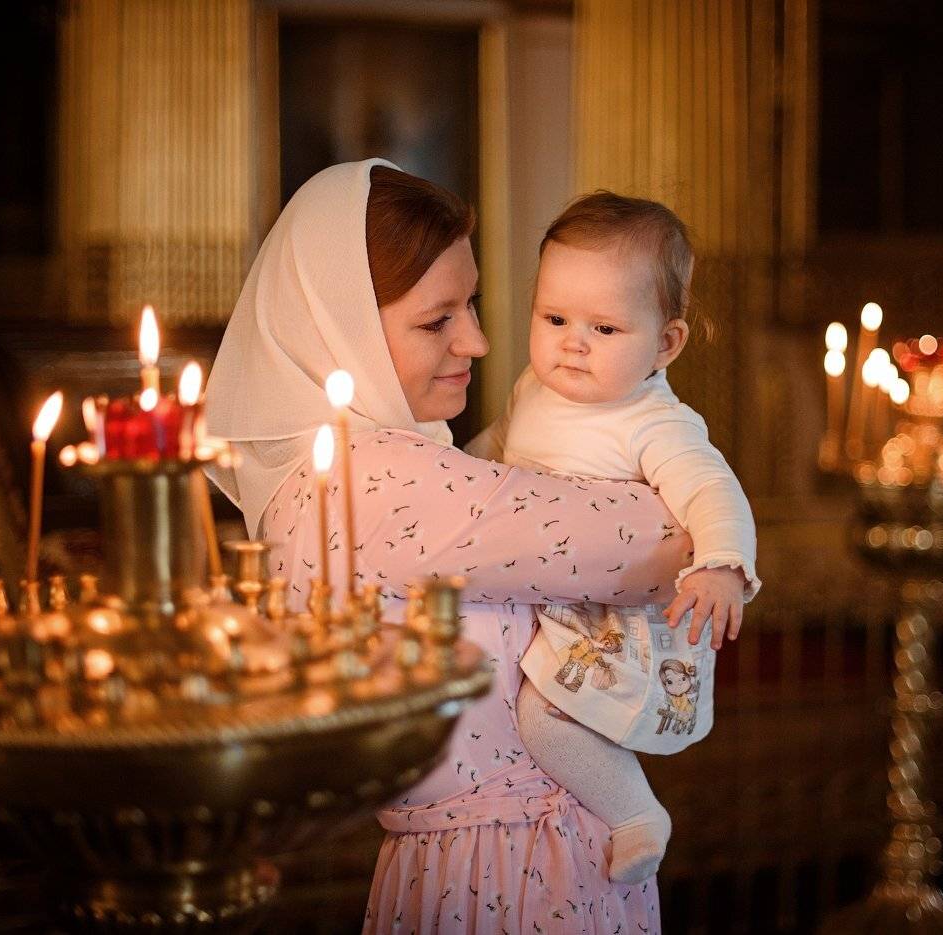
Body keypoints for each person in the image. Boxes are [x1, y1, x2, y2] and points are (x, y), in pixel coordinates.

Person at [204, 159, 693, 933]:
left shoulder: (316, 477)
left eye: (471, 301)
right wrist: (667, 452)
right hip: (523, 874)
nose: (479, 337)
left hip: (468, 865)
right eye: (438, 319)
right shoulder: (383, 477)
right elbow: (668, 541)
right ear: (345, 327)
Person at [466, 193, 761, 884]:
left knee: (545, 716)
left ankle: (636, 812)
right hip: (547, 596)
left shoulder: (656, 423)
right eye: (555, 317)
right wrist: (454, 471)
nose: (572, 341)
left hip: (614, 624)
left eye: (603, 327)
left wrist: (720, 565)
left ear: (666, 343)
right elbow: (498, 449)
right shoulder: (533, 388)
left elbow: (714, 491)